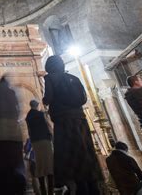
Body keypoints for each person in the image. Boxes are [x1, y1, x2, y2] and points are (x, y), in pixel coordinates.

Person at [43, 55, 102, 194]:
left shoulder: (50, 77)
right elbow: (83, 98)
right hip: (80, 120)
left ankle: (78, 187)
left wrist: (45, 100)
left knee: (69, 153)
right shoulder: (74, 78)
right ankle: (93, 187)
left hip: (64, 121)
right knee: (85, 151)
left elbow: (48, 98)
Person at [0, 75, 26, 195]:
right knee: (17, 164)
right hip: (14, 132)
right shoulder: (12, 92)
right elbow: (19, 110)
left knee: (2, 168)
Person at [25, 99, 54, 195]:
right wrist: (51, 136)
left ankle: (43, 192)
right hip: (45, 141)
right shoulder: (41, 114)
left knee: (40, 168)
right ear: (37, 105)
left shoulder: (28, 116)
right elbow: (48, 126)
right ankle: (50, 192)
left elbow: (29, 130)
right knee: (49, 167)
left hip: (35, 143)